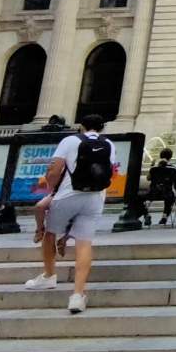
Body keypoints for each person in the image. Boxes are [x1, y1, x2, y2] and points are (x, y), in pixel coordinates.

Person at [23, 114, 116, 314]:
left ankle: (49, 276)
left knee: (50, 233)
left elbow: (55, 169)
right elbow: (111, 171)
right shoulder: (109, 143)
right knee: (84, 243)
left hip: (68, 195)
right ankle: (77, 295)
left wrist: (51, 187)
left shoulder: (70, 140)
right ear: (102, 127)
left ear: (81, 126)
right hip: (94, 198)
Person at [146, 148, 176, 226]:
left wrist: (152, 166)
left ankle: (146, 215)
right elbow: (175, 180)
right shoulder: (172, 168)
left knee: (140, 198)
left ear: (160, 156)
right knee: (171, 197)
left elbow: (148, 178)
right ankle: (165, 216)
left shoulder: (154, 168)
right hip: (167, 194)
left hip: (153, 193)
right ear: (170, 157)